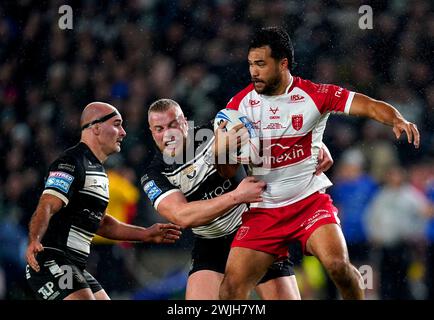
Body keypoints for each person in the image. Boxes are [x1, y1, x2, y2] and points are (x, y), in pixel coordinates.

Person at [218, 26, 420, 300]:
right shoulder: (238, 106)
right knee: (230, 290)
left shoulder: (314, 95)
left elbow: (368, 105)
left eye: (261, 64)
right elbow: (226, 172)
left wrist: (396, 118)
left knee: (337, 266)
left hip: (308, 202)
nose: (254, 71)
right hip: (264, 211)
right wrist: (224, 151)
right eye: (251, 64)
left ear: (283, 63)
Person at [141, 98, 333, 299]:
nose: (168, 134)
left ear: (185, 121)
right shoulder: (154, 175)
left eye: (173, 124)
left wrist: (315, 145)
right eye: (159, 128)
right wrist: (236, 196)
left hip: (255, 231)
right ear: (152, 132)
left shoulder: (218, 132)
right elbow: (182, 216)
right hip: (211, 243)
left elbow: (275, 128)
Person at [25, 102, 182, 300]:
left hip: (76, 265)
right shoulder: (71, 162)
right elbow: (47, 203)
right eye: (117, 124)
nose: (123, 132)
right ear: (96, 127)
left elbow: (102, 224)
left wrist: (146, 234)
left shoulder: (99, 172)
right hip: (51, 259)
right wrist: (34, 240)